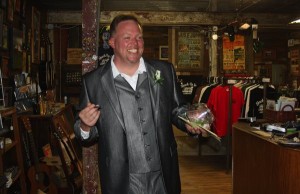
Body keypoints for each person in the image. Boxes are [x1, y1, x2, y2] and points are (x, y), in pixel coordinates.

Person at [74, 14, 207, 194]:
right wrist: (85, 125)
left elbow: (177, 109)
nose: (135, 44)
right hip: (121, 178)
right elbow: (87, 136)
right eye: (127, 38)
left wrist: (190, 121)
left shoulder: (163, 71)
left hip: (162, 175)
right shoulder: (93, 82)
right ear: (112, 42)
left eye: (139, 37)